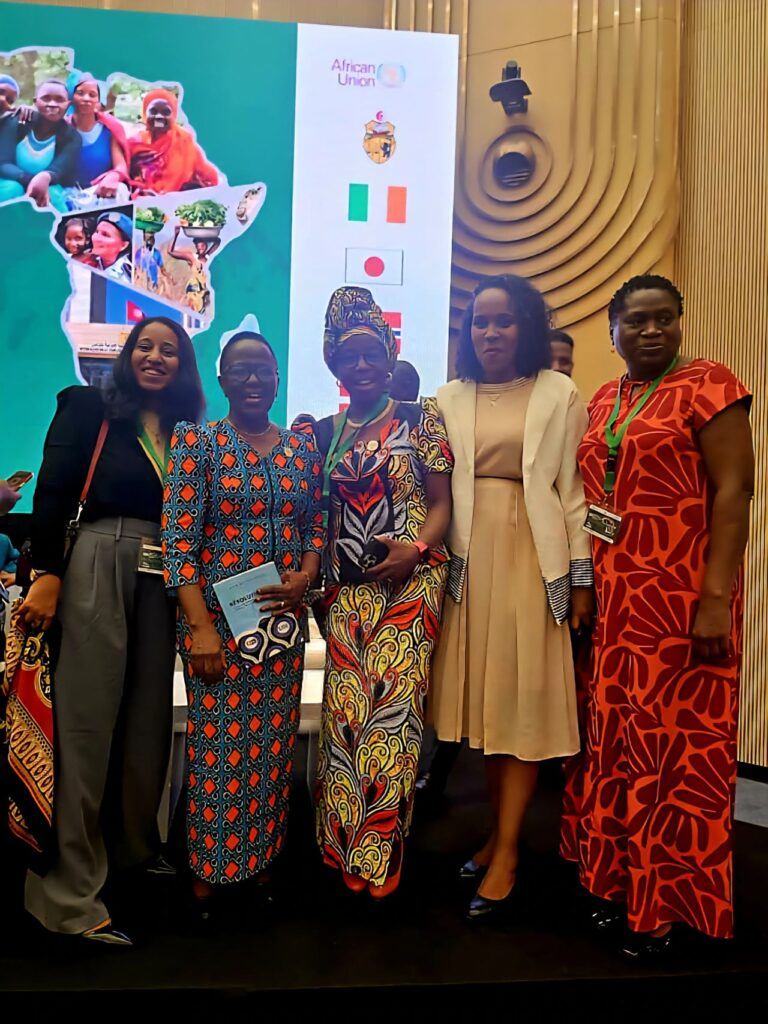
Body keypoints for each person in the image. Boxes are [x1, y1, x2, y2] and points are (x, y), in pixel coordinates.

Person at [560, 275, 754, 959]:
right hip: (618, 603)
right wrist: (587, 589)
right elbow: (595, 504)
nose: (651, 331)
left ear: (679, 322)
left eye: (664, 318)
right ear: (612, 329)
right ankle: (617, 883)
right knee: (617, 743)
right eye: (636, 320)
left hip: (681, 601)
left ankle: (666, 904)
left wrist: (714, 600)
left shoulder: (711, 385)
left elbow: (734, 492)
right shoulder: (605, 399)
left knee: (674, 751)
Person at [19, 316, 205, 946]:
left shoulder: (187, 434)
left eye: (170, 351)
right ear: (126, 356)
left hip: (164, 578)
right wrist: (48, 571)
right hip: (99, 561)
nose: (155, 357)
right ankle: (68, 893)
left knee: (146, 727)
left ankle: (131, 855)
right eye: (144, 346)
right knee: (86, 726)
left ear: (184, 367)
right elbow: (52, 492)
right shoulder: (88, 407)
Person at [430, 274, 593, 922]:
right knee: (490, 712)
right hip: (470, 561)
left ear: (526, 324)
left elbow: (573, 493)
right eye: (480, 321)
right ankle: (496, 836)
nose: (491, 332)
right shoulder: (448, 397)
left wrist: (580, 579)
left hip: (533, 560)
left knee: (521, 710)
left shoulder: (559, 392)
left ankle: (507, 853)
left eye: (503, 320)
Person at [293, 286, 453, 898]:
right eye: (348, 356)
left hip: (411, 585)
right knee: (344, 720)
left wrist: (417, 549)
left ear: (389, 357)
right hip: (347, 594)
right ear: (333, 363)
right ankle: (340, 844)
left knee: (392, 717)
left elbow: (441, 504)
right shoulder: (323, 431)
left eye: (371, 354)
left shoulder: (420, 417)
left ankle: (379, 854)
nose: (360, 366)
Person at [162, 327, 323, 914]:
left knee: (272, 749)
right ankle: (210, 870)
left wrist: (306, 575)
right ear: (223, 379)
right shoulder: (199, 443)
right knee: (218, 747)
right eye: (241, 370)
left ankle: (259, 859)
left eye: (264, 370)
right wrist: (200, 629)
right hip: (218, 628)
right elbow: (179, 543)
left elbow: (314, 526)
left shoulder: (302, 449)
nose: (254, 380)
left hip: (279, 624)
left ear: (278, 380)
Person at [0, 79, 80, 211]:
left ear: (68, 104)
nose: (52, 104)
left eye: (59, 100)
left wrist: (45, 177)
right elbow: (3, 162)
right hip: (10, 180)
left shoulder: (72, 136)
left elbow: (59, 169)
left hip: (48, 185)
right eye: (46, 98)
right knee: (12, 189)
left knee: (53, 197)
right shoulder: (17, 122)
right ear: (35, 101)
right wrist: (30, 180)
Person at [128, 89, 219, 196]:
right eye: (153, 111)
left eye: (166, 112)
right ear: (144, 113)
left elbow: (210, 177)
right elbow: (124, 177)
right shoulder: (133, 144)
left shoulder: (184, 141)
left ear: (174, 115)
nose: (159, 116)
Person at [65, 71, 129, 205]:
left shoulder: (109, 128)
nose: (86, 98)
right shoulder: (62, 127)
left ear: (98, 100)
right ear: (71, 96)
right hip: (68, 194)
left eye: (92, 94)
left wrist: (114, 176)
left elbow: (121, 166)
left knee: (120, 190)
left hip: (100, 191)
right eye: (80, 93)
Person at [168, 225, 219, 314]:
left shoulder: (208, 256)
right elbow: (170, 252)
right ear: (196, 246)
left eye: (203, 245)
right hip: (194, 292)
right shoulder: (191, 257)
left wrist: (207, 233)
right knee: (197, 312)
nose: (201, 247)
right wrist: (176, 234)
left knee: (207, 312)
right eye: (199, 245)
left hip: (205, 292)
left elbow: (218, 241)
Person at [91, 210, 132, 281]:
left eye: (105, 235)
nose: (95, 238)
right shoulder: (84, 260)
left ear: (123, 245)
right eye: (97, 232)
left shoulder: (128, 277)